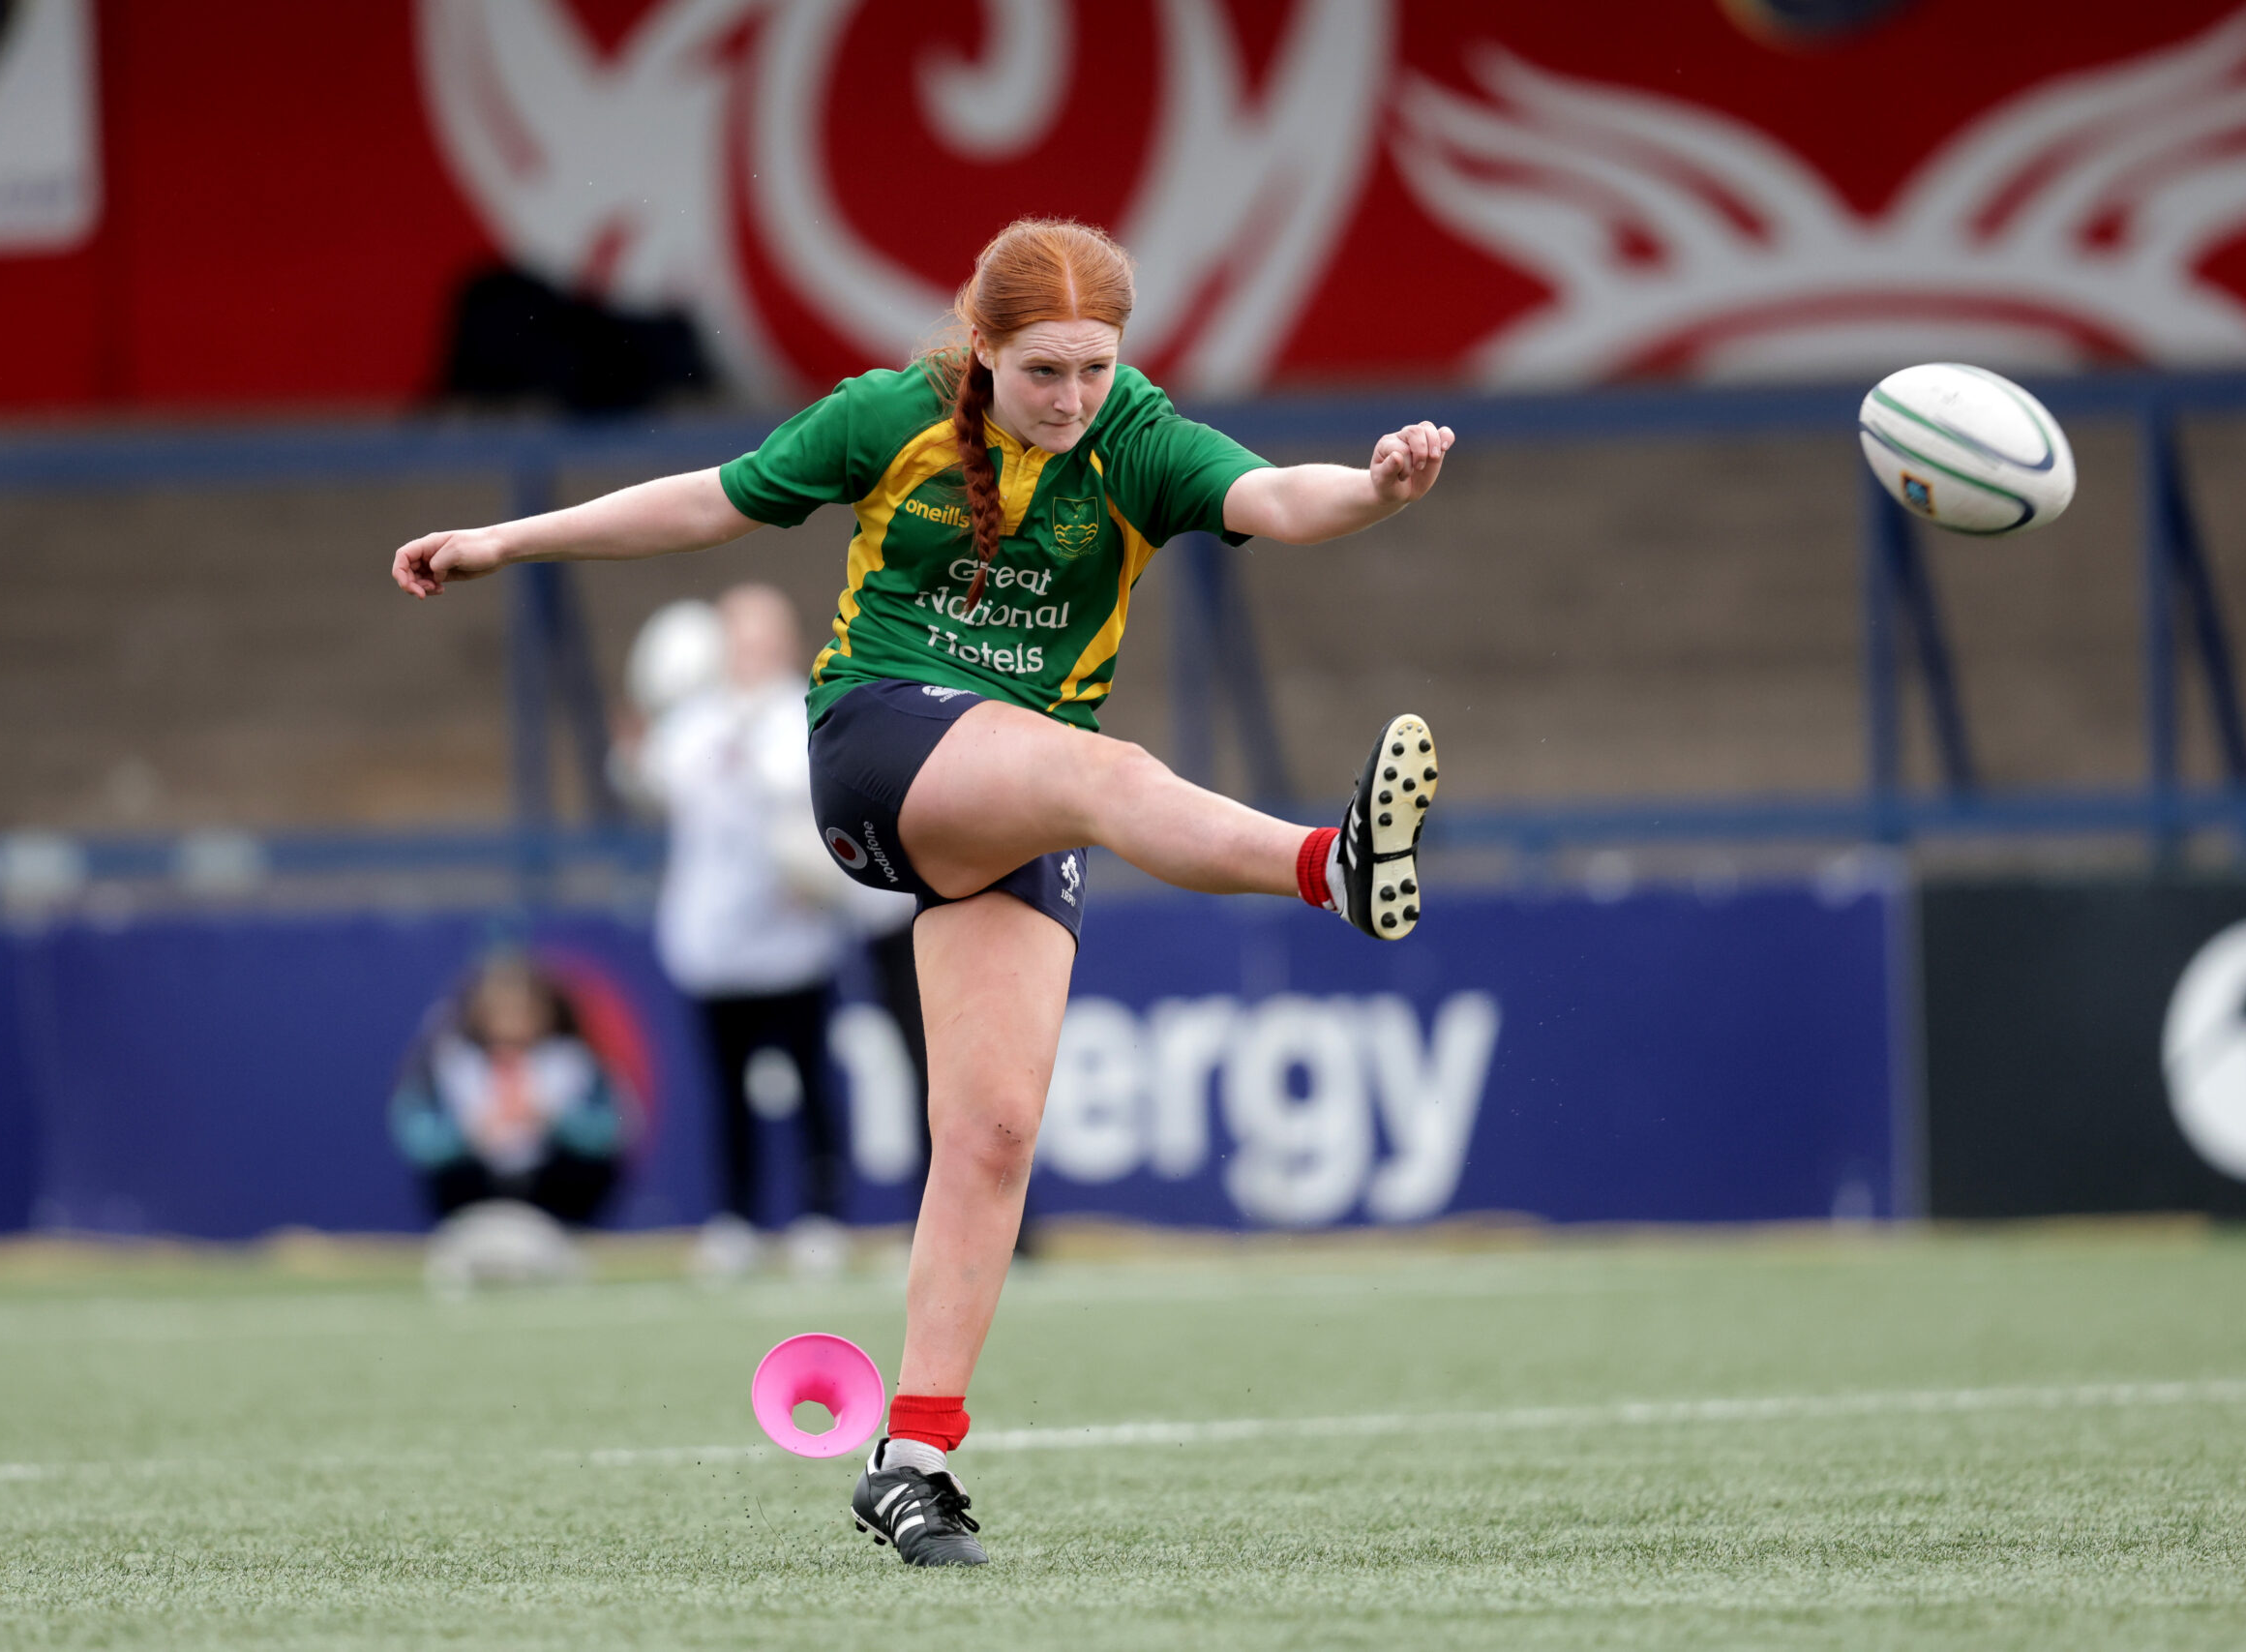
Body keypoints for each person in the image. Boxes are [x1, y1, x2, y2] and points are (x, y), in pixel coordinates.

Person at [393, 218, 1452, 1566]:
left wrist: (1378, 490)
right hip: (881, 747)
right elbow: (710, 498)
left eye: (1095, 366)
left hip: (1020, 798)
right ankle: (1330, 867)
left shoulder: (1135, 436)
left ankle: (912, 1459)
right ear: (983, 347)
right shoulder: (888, 415)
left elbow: (1283, 500)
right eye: (1044, 369)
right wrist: (506, 540)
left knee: (994, 1131)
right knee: (1105, 772)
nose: (1072, 397)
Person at [619, 585, 856, 1278]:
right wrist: (634, 748)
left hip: (792, 943)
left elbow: (807, 795)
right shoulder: (694, 722)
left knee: (810, 1081)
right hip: (711, 942)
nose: (751, 651)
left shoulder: (806, 712)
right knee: (727, 1090)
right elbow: (653, 785)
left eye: (764, 636)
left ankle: (820, 1218)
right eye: (739, 637)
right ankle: (736, 1220)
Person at [389, 946, 630, 1225]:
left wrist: (553, 1120)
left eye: (523, 1008)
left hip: (553, 1194)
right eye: (500, 1008)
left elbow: (612, 1128)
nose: (511, 1020)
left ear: (547, 1009)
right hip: (473, 1195)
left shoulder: (573, 1061)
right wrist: (469, 1132)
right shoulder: (449, 1061)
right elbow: (416, 1135)